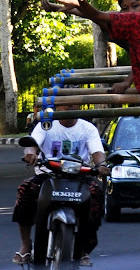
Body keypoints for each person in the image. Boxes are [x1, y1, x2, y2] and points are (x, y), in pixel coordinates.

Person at [12, 105, 107, 267]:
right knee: (26, 189)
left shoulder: (87, 128)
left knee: (96, 193)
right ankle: (26, 245)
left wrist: (102, 165)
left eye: (73, 103)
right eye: (65, 103)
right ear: (56, 106)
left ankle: (84, 248)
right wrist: (30, 154)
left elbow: (97, 152)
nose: (69, 106)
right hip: (47, 175)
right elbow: (32, 144)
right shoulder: (45, 124)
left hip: (80, 176)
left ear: (79, 106)